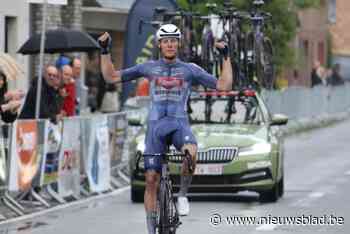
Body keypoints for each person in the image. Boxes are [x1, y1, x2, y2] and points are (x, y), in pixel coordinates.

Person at [98, 24, 233, 234]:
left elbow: (224, 85)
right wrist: (105, 51)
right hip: (155, 127)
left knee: (191, 154)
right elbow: (111, 76)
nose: (170, 44)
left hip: (179, 124)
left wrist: (226, 56)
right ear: (159, 44)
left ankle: (182, 195)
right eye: (166, 41)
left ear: (178, 44)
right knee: (151, 179)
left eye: (173, 40)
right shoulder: (148, 67)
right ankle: (152, 230)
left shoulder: (190, 69)